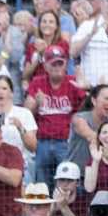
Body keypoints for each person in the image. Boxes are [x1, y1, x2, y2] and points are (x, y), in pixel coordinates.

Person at [25, 45, 84, 185]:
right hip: (42, 142)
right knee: (42, 184)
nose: (57, 67)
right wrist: (37, 104)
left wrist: (83, 84)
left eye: (60, 63)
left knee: (65, 183)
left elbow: (86, 107)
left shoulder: (72, 82)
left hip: (65, 142)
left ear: (65, 64)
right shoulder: (37, 82)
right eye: (53, 63)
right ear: (45, 65)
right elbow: (26, 113)